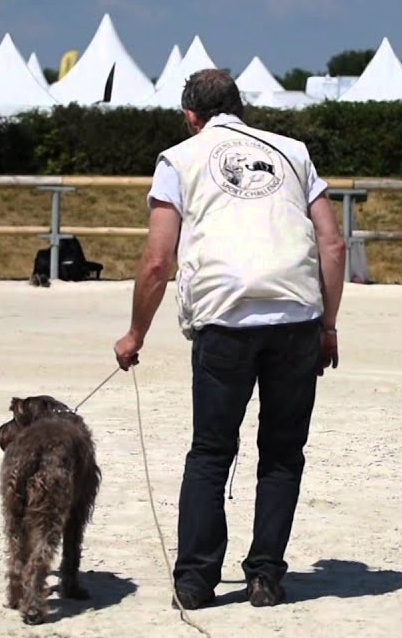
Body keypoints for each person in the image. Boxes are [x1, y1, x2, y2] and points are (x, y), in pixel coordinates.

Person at [114, 69, 347, 609]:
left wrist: (135, 333)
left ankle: (196, 580)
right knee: (283, 454)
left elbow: (156, 260)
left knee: (212, 452)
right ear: (240, 107)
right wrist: (328, 326)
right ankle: (265, 575)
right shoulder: (294, 152)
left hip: (224, 319)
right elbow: (332, 246)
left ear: (190, 116)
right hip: (296, 317)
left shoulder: (180, 158)